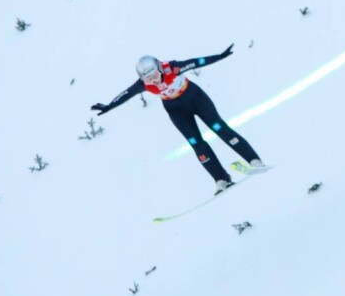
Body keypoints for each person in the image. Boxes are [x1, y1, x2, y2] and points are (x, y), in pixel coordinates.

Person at [91, 45, 266, 195]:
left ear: (159, 68)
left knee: (219, 128)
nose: (152, 80)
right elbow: (126, 94)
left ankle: (253, 160)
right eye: (147, 78)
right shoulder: (143, 84)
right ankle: (221, 179)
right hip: (175, 109)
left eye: (153, 75)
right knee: (195, 143)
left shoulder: (172, 68)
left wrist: (219, 57)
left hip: (194, 97)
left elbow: (197, 61)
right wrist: (108, 106)